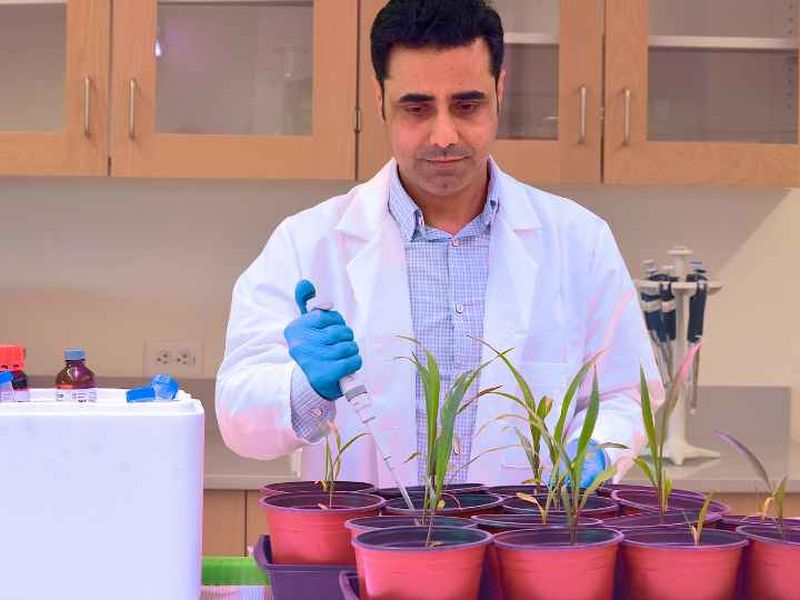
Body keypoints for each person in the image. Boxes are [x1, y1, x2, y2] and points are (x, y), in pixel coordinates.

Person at [216, 0, 663, 488]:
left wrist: (595, 449)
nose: (444, 135)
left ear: (500, 91)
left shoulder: (581, 242)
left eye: (467, 105)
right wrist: (305, 389)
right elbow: (240, 420)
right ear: (380, 99)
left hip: (522, 548)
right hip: (368, 551)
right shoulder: (306, 245)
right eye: (417, 107)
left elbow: (625, 393)